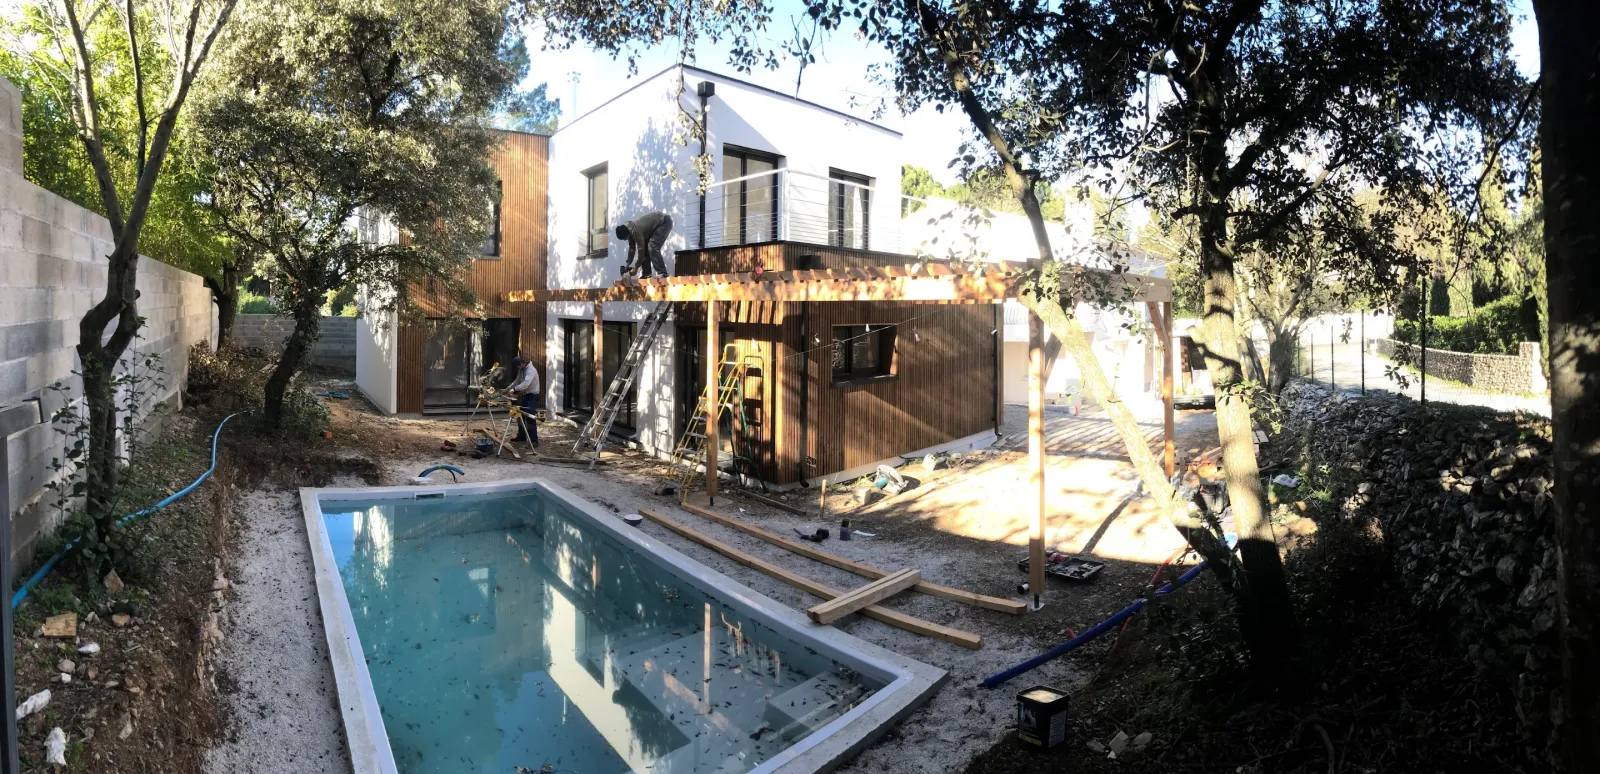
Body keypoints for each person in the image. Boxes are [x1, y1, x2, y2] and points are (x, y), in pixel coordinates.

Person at [617, 211, 673, 279]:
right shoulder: (628, 230)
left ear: (627, 234)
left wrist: (636, 268)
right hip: (654, 227)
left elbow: (641, 251)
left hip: (664, 222)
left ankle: (662, 273)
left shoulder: (635, 231)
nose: (625, 240)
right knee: (646, 247)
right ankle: (647, 274)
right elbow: (632, 249)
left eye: (625, 238)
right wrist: (627, 264)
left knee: (652, 246)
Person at [509, 356, 540, 446]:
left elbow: (526, 384)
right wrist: (507, 389)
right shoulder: (521, 369)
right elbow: (517, 381)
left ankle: (534, 440)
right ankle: (521, 436)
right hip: (525, 395)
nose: (517, 368)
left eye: (518, 366)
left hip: (532, 396)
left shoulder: (531, 370)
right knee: (520, 416)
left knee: (530, 417)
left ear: (522, 363)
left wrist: (515, 389)